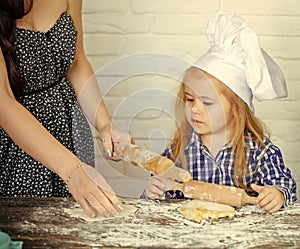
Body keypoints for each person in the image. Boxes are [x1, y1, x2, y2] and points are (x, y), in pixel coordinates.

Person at [143, 14, 297, 213]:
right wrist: (153, 192)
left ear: (237, 108)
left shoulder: (260, 152)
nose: (194, 109)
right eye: (190, 99)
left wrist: (277, 195)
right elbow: (159, 202)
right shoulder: (179, 150)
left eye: (207, 102)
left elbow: (287, 188)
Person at [0, 0, 132, 218]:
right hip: (17, 144)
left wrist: (105, 124)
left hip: (70, 131)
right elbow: (3, 103)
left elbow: (77, 63)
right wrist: (72, 171)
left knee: (71, 227)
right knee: (27, 228)